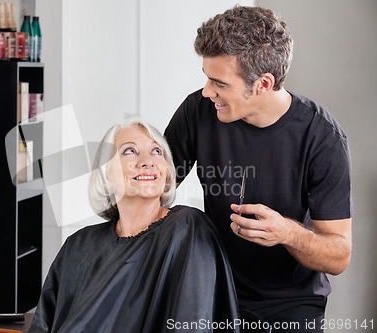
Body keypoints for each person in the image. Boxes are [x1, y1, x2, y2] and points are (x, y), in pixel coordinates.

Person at [164, 5, 352, 333]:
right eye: (206, 78)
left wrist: (287, 232)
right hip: (214, 287)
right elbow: (155, 189)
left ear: (263, 83)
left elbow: (338, 255)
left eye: (218, 82)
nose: (208, 92)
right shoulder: (199, 109)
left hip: (291, 304)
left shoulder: (321, 136)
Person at [28, 118, 241, 332]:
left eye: (157, 152)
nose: (148, 161)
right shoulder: (78, 244)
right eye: (130, 151)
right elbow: (43, 324)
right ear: (106, 172)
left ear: (166, 171)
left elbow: (192, 323)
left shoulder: (187, 229)